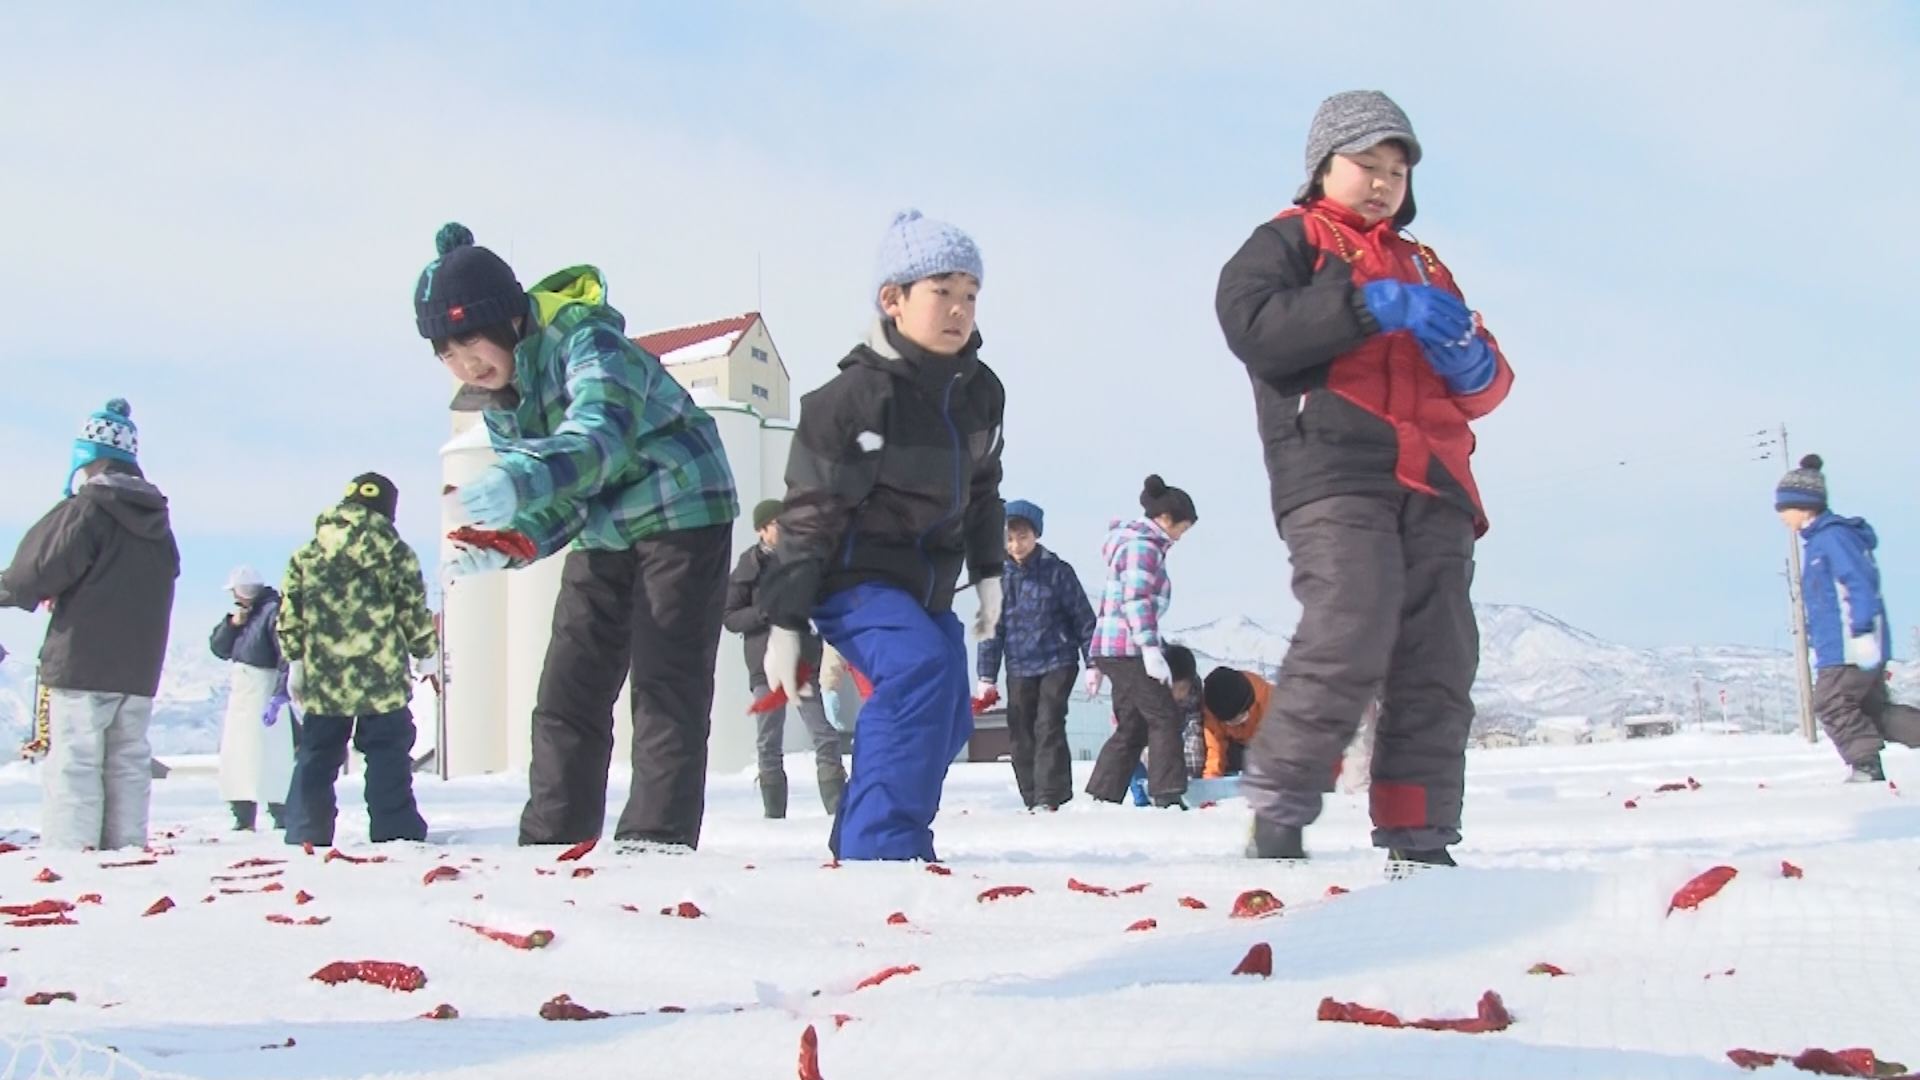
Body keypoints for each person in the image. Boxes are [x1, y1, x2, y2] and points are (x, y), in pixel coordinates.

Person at [1215, 90, 1513, 864]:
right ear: (1322, 167)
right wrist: (1367, 305)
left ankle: (1418, 835)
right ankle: (1279, 805)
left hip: (1438, 482)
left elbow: (1485, 385)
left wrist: (1474, 365)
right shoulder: (1290, 241)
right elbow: (1253, 328)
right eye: (1366, 165)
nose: (1383, 183)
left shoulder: (1427, 263)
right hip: (1338, 466)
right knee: (1353, 621)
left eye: (1396, 171)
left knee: (1437, 658)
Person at [423, 224, 738, 850]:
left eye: (472, 341)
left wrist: (518, 478)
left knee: (664, 683)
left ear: (508, 318)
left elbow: (599, 440)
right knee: (568, 688)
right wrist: (512, 540)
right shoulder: (503, 400)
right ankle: (552, 837)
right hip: (607, 524)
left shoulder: (587, 341)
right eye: (447, 354)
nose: (467, 364)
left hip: (682, 504)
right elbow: (567, 499)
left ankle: (655, 839)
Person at [758, 209, 1004, 862]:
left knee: (948, 711)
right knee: (918, 672)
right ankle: (881, 851)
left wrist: (989, 574)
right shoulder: (850, 401)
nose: (958, 309)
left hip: (927, 588)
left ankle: (859, 834)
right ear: (892, 300)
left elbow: (983, 488)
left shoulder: (980, 393)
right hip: (852, 577)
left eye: (970, 295)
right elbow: (808, 511)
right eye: (941, 293)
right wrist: (785, 621)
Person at [0, 399, 178, 850]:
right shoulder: (158, 522)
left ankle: (74, 854)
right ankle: (126, 850)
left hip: (82, 660)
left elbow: (34, 571)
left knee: (75, 759)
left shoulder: (88, 509)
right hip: (140, 667)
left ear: (88, 457)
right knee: (127, 759)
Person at [278, 474, 437, 846]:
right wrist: (425, 652)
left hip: (325, 674)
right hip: (380, 674)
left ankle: (306, 829)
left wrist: (295, 660)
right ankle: (395, 829)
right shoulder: (396, 552)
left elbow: (290, 612)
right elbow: (412, 609)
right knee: (387, 752)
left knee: (317, 753)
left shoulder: (307, 554)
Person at [1775, 455, 1920, 782]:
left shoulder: (1832, 538)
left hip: (1850, 646)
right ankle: (1869, 763)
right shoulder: (1820, 541)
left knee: (1831, 703)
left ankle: (1866, 766)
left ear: (1804, 505)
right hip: (1843, 645)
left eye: (1785, 508)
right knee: (1872, 711)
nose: (1782, 516)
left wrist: (1864, 631)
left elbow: (1858, 583)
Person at [724, 499, 847, 818]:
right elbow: (730, 616)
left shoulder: (807, 561)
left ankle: (837, 809)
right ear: (762, 530)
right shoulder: (747, 567)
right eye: (778, 524)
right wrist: (763, 613)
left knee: (824, 733)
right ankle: (774, 814)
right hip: (764, 665)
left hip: (802, 663)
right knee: (768, 740)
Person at [974, 499, 1096, 810]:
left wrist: (1093, 663)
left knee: (1048, 722)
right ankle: (1031, 795)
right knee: (1020, 730)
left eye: (1023, 537)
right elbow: (990, 629)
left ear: (1036, 536)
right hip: (1019, 664)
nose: (1016, 545)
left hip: (1059, 659)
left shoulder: (1058, 572)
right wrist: (986, 676)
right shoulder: (998, 578)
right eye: (1010, 539)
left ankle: (1049, 797)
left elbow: (1084, 619)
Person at [1084, 476, 1198, 808]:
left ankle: (1102, 795)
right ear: (1165, 520)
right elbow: (1135, 600)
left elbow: (1107, 602)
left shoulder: (1132, 544)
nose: (1181, 536)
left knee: (1133, 725)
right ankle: (1167, 795)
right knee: (1164, 716)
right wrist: (1150, 647)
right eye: (1182, 528)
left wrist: (1095, 660)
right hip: (1128, 649)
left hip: (1115, 649)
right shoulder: (1142, 548)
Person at [208, 565, 294, 831]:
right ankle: (243, 811)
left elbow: (285, 655)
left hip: (262, 690)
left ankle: (279, 810)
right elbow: (219, 648)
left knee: (269, 755)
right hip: (244, 695)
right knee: (240, 756)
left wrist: (280, 692)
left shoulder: (273, 613)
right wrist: (232, 624)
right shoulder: (247, 616)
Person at [1200, 665, 1272, 778]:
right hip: (1238, 748)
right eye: (1233, 720)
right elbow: (1215, 752)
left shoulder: (1268, 699)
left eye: (1243, 714)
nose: (1240, 721)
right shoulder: (1212, 711)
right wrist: (1211, 783)